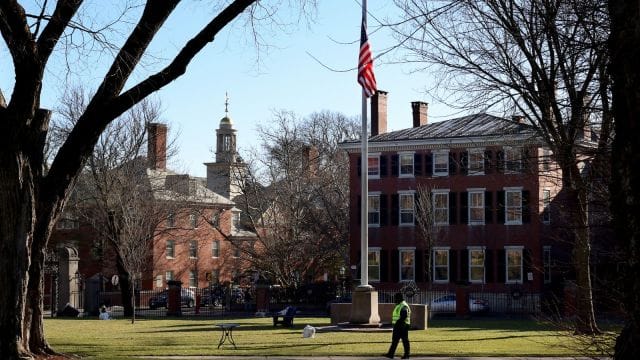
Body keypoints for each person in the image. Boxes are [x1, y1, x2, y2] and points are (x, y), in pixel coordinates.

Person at [385, 292, 410, 359]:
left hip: (402, 325)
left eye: (395, 298)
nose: (394, 299)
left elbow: (404, 315)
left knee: (404, 340)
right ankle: (391, 354)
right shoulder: (399, 305)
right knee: (395, 340)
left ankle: (406, 355)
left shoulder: (403, 305)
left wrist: (398, 323)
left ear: (399, 298)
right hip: (400, 325)